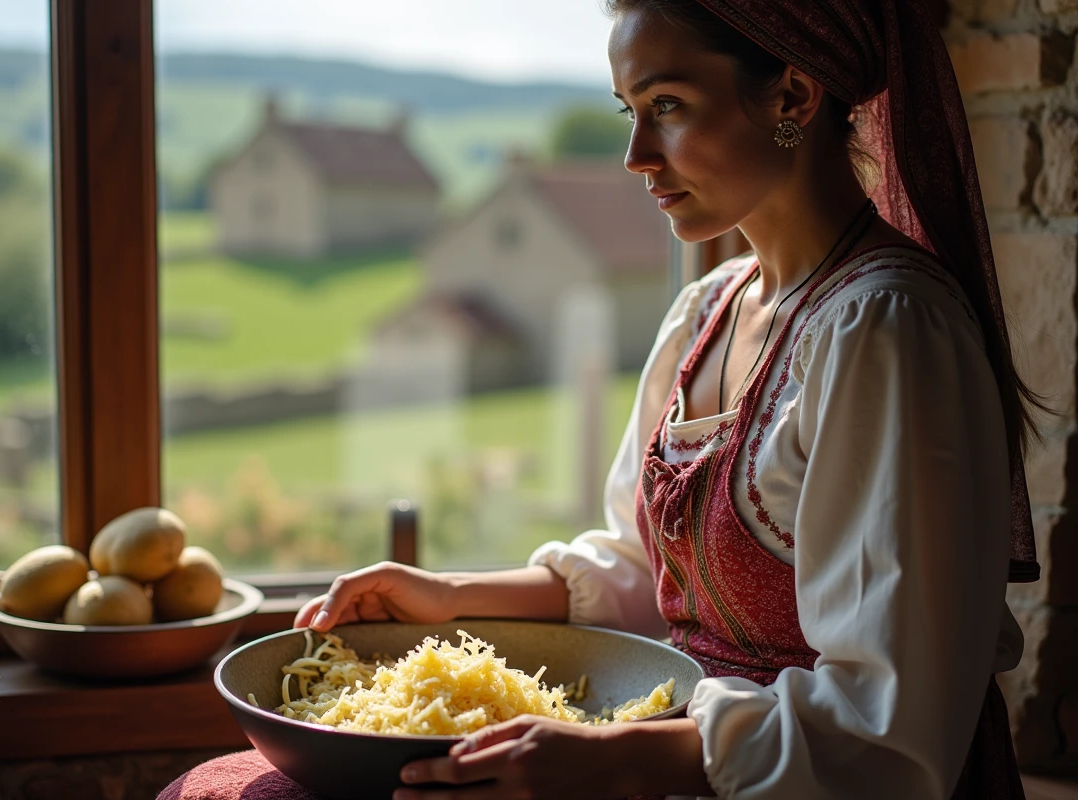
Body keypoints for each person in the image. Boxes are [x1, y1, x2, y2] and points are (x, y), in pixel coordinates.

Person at [286, 2, 1045, 798]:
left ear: (793, 96)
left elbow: (889, 731)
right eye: (630, 113)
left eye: (667, 107)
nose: (635, 155)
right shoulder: (707, 311)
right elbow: (644, 565)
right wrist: (450, 597)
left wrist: (615, 758)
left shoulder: (887, 332)